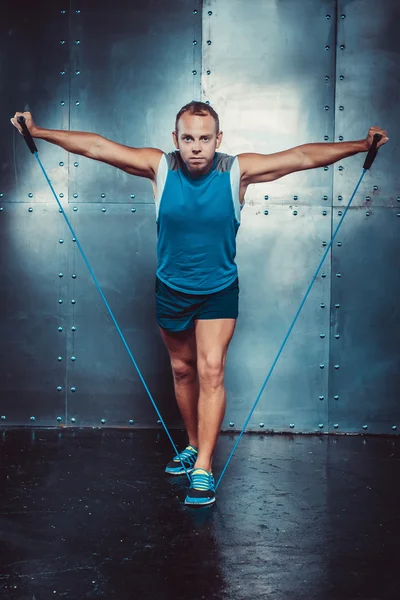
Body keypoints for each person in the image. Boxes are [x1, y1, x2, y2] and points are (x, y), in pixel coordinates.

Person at [10, 102, 388, 507]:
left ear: (218, 139)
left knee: (211, 369)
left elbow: (300, 157)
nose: (196, 147)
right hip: (171, 289)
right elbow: (98, 147)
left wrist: (360, 145)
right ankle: (193, 445)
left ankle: (204, 468)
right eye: (188, 138)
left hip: (218, 290)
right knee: (182, 369)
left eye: (204, 139)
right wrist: (41, 132)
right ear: (175, 139)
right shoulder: (160, 168)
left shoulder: (235, 172)